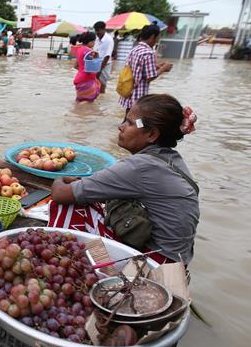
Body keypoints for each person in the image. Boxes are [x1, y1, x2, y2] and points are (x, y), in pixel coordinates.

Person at [51, 94, 199, 264]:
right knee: (95, 201)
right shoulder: (172, 160)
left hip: (155, 263)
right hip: (175, 261)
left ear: (151, 134)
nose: (120, 127)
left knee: (67, 205)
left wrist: (59, 179)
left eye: (129, 123)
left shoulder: (140, 166)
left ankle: (64, 264)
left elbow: (60, 194)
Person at [118, 24, 172, 112]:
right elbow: (149, 78)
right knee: (137, 122)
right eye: (158, 37)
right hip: (138, 94)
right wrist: (163, 69)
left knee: (129, 118)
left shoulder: (134, 49)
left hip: (129, 90)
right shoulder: (148, 53)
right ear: (152, 36)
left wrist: (156, 66)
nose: (157, 40)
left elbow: (136, 68)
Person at [73, 31, 100, 103]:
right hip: (87, 80)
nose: (94, 43)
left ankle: (74, 113)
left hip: (79, 78)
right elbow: (93, 69)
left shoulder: (79, 49)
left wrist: (82, 70)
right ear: (90, 41)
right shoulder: (90, 52)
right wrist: (97, 57)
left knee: (79, 101)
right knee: (87, 103)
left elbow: (75, 66)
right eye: (94, 41)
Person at [93, 21, 114, 93]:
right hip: (97, 63)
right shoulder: (97, 39)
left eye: (98, 30)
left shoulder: (109, 40)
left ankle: (102, 98)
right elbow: (95, 52)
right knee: (95, 83)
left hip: (105, 64)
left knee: (102, 84)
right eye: (96, 30)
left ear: (103, 29)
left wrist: (99, 69)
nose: (97, 32)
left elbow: (107, 56)